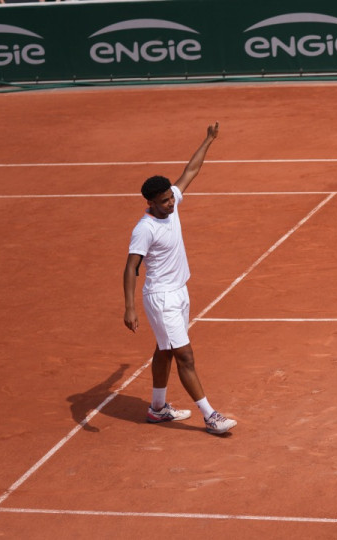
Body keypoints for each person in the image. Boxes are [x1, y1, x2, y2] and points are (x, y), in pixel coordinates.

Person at [123, 122, 237, 435]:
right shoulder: (144, 229)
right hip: (160, 297)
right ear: (149, 203)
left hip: (179, 291)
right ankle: (210, 415)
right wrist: (129, 308)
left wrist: (207, 140)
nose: (171, 203)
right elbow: (131, 267)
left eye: (170, 199)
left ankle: (157, 409)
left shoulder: (171, 204)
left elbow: (190, 171)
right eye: (163, 201)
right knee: (184, 355)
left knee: (164, 350)